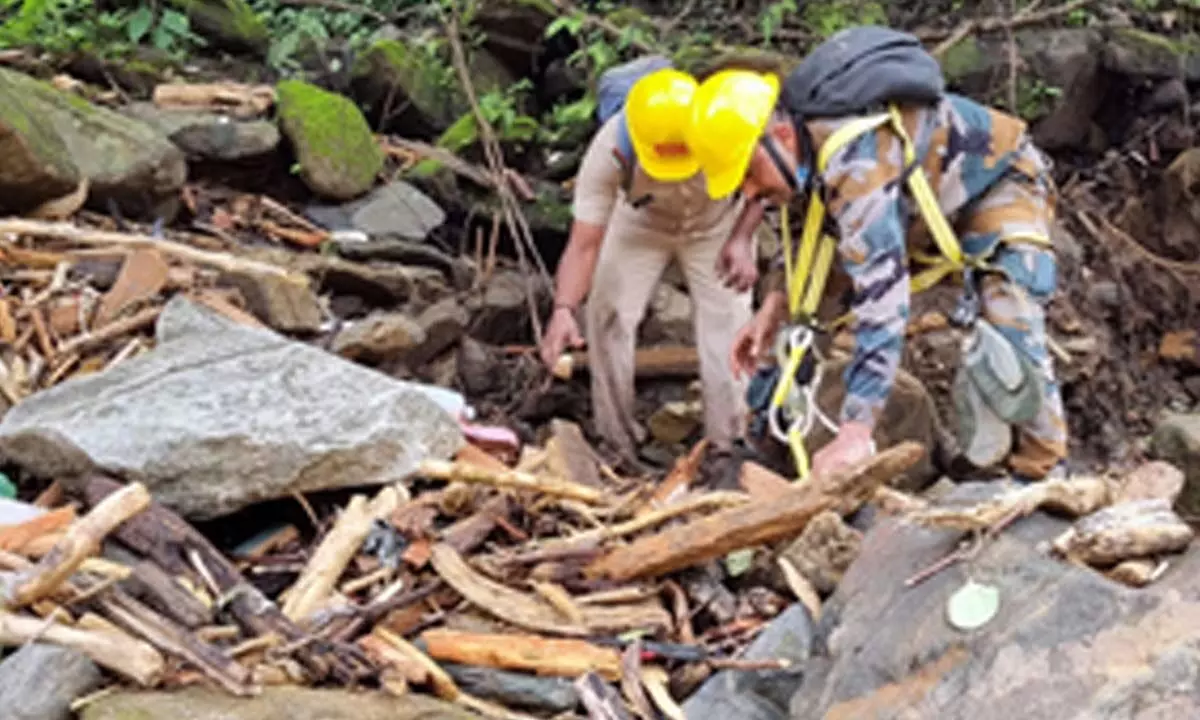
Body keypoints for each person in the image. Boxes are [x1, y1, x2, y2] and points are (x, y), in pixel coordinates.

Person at [684, 38, 1069, 484]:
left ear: (781, 136)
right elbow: (800, 245)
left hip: (995, 180)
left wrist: (856, 429)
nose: (748, 193)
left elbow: (883, 299)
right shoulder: (798, 156)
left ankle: (1043, 470)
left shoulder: (855, 161)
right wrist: (773, 304)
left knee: (1008, 304)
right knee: (799, 320)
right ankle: (762, 445)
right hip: (913, 202)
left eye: (748, 173)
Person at [537, 65, 763, 473]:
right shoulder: (610, 151)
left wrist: (744, 238)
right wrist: (563, 309)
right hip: (639, 224)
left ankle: (728, 447)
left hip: (718, 226)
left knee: (728, 330)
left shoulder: (726, 124)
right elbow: (584, 244)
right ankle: (617, 444)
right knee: (607, 318)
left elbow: (766, 183)